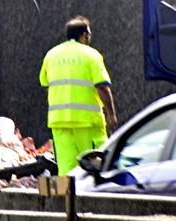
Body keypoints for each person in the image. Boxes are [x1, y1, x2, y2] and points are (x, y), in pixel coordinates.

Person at [39, 16, 119, 175]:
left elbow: (45, 83)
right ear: (84, 35)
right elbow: (102, 87)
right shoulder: (91, 55)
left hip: (59, 122)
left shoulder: (51, 55)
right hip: (87, 122)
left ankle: (68, 200)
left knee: (67, 171)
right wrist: (111, 115)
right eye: (88, 35)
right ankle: (92, 200)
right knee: (95, 168)